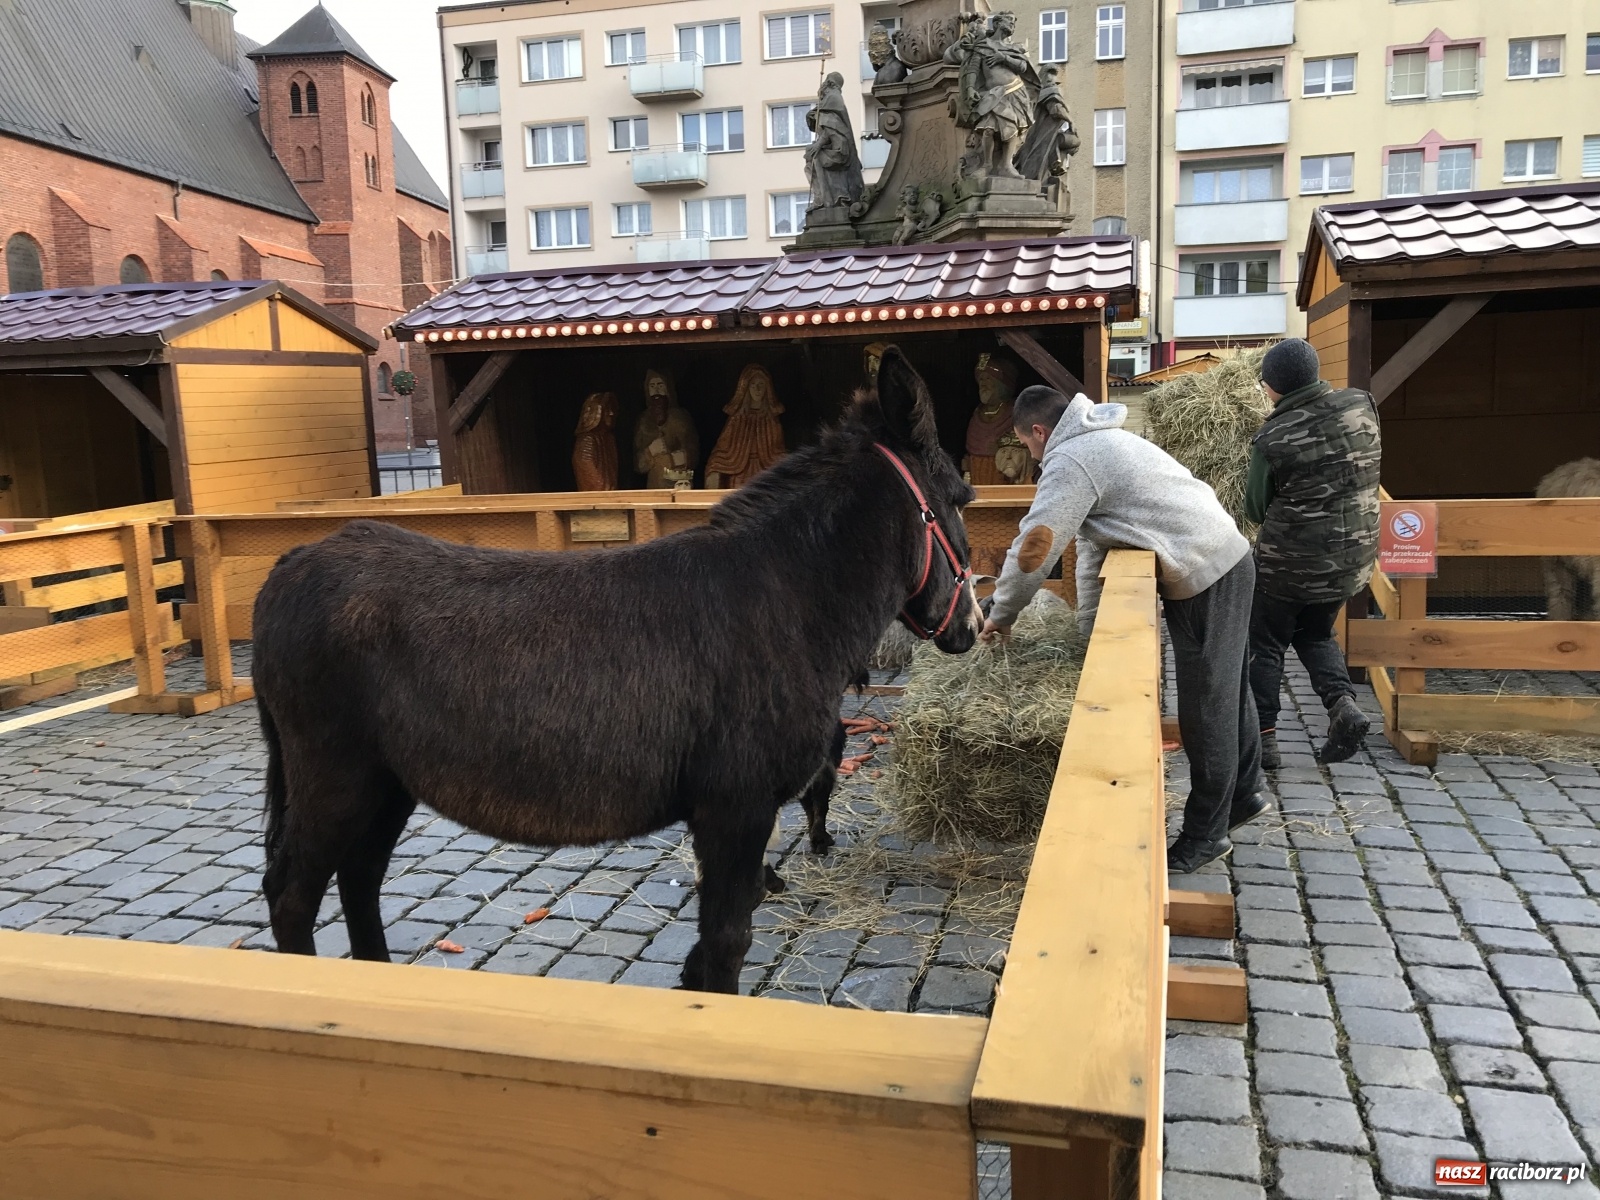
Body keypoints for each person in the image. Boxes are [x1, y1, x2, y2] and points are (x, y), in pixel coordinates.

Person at [980, 385, 1269, 872]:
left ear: (1038, 430)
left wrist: (1001, 614)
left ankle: (1206, 835)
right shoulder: (1103, 442)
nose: (1031, 455)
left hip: (1208, 574)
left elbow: (1037, 546)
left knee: (1207, 705)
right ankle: (1244, 792)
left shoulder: (1073, 458)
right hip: (1226, 558)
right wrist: (1091, 635)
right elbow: (1096, 545)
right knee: (1228, 689)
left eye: (1027, 445)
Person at [1244, 339, 1382, 769]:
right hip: (1352, 557)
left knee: (1264, 644)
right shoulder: (1361, 406)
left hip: (1288, 566)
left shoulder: (1272, 436)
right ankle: (1343, 704)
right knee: (1315, 633)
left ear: (1272, 386)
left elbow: (1254, 507)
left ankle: (1265, 740)